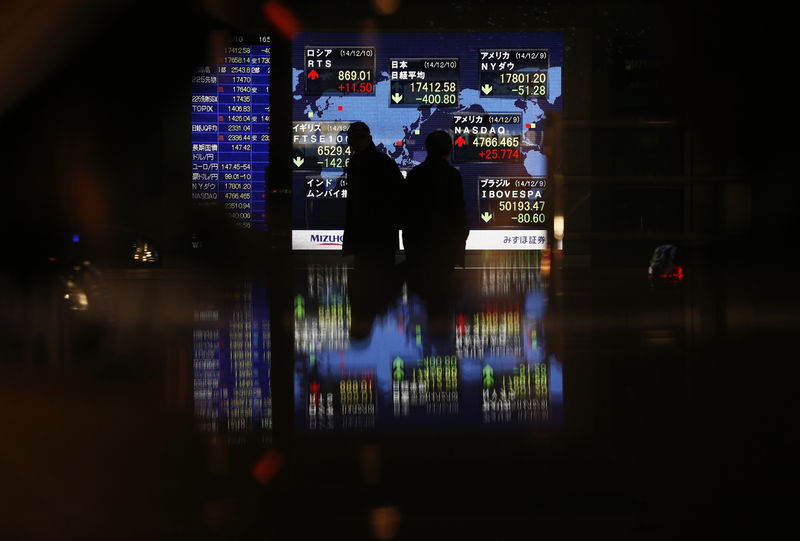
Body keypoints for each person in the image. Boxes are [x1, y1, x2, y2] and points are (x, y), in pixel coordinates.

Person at [401, 130, 469, 274]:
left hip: (420, 249)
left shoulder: (415, 175)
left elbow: (407, 215)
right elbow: (459, 214)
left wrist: (410, 252)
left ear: (427, 148)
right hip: (446, 249)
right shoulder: (453, 176)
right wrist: (459, 250)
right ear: (449, 149)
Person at [342, 121, 404, 269]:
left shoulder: (355, 164)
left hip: (365, 236)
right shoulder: (384, 162)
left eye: (360, 137)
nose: (358, 141)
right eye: (355, 137)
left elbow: (355, 204)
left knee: (365, 281)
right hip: (384, 236)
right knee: (383, 282)